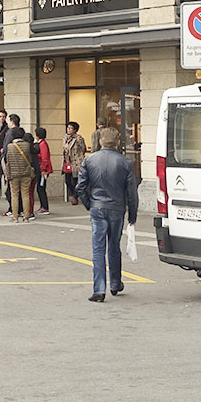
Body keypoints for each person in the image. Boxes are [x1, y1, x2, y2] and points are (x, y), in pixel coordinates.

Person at [76, 127, 139, 302]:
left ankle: (99, 289)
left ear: (101, 142)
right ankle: (115, 283)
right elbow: (132, 193)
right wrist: (132, 215)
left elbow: (80, 187)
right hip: (117, 208)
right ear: (117, 142)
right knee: (114, 246)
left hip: (97, 207)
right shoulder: (125, 163)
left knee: (98, 248)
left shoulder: (90, 160)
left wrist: (90, 204)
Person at [4, 126, 36, 221]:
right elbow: (30, 159)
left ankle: (15, 216)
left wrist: (7, 174)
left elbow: (8, 160)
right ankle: (26, 216)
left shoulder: (10, 146)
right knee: (25, 194)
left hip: (14, 174)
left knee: (15, 195)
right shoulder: (27, 145)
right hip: (26, 173)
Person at [62, 120, 87, 206]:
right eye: (68, 128)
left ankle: (75, 197)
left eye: (70, 128)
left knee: (75, 180)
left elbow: (83, 149)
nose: (68, 130)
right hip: (68, 163)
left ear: (75, 130)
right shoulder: (65, 138)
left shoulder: (78, 138)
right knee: (67, 181)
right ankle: (75, 194)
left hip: (76, 162)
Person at [35, 126, 54, 215]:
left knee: (41, 188)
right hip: (42, 169)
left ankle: (45, 207)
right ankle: (43, 206)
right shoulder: (41, 143)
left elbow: (45, 158)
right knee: (40, 188)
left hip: (43, 170)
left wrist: (44, 170)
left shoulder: (42, 145)